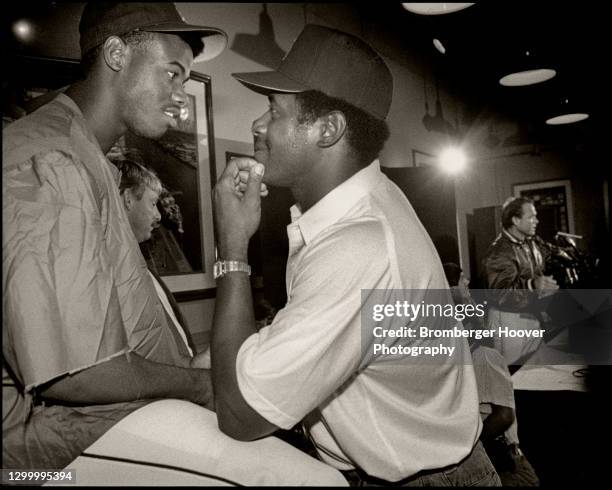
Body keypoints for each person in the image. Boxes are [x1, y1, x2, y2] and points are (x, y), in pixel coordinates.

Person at [198, 24, 500, 485]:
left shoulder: (357, 245)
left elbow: (241, 417)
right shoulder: (373, 201)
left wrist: (233, 247)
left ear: (329, 129)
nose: (258, 125)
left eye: (274, 110)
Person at [2, 2, 227, 470]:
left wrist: (186, 367)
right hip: (43, 456)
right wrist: (200, 385)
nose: (180, 96)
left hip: (99, 424)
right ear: (118, 54)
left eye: (184, 80)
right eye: (172, 73)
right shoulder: (53, 161)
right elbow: (77, 375)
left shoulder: (86, 157)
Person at [444, 263, 540, 486]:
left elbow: (502, 415)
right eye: (461, 280)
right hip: (500, 459)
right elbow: (503, 415)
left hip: (499, 457)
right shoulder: (481, 355)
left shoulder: (475, 357)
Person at [116, 158, 195, 356]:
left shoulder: (140, 262)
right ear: (127, 199)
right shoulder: (120, 271)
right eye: (152, 204)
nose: (159, 216)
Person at [483, 197, 559, 365]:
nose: (536, 221)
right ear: (516, 220)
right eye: (531, 217)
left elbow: (549, 255)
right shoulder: (499, 251)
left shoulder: (530, 242)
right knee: (513, 378)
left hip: (530, 315)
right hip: (509, 321)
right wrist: (532, 285)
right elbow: (499, 293)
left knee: (535, 369)